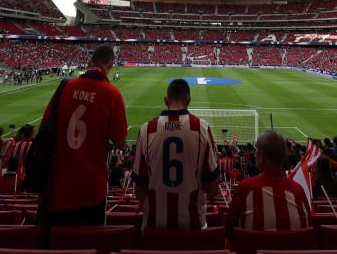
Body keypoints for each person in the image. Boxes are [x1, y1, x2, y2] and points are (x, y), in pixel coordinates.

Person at [38, 45, 127, 234]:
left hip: (57, 184)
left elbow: (44, 127)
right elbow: (119, 141)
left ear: (90, 61)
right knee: (87, 241)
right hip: (91, 187)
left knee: (55, 241)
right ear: (110, 64)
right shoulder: (112, 94)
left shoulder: (65, 87)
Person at [132, 78, 219, 229]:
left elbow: (139, 192)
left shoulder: (146, 130)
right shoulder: (202, 128)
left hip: (154, 228)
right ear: (189, 101)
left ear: (166, 100)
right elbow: (212, 191)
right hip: (193, 228)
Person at [224, 130, 311, 235]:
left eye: (256, 152)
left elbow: (228, 231)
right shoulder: (298, 191)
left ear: (261, 156)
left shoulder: (246, 187)